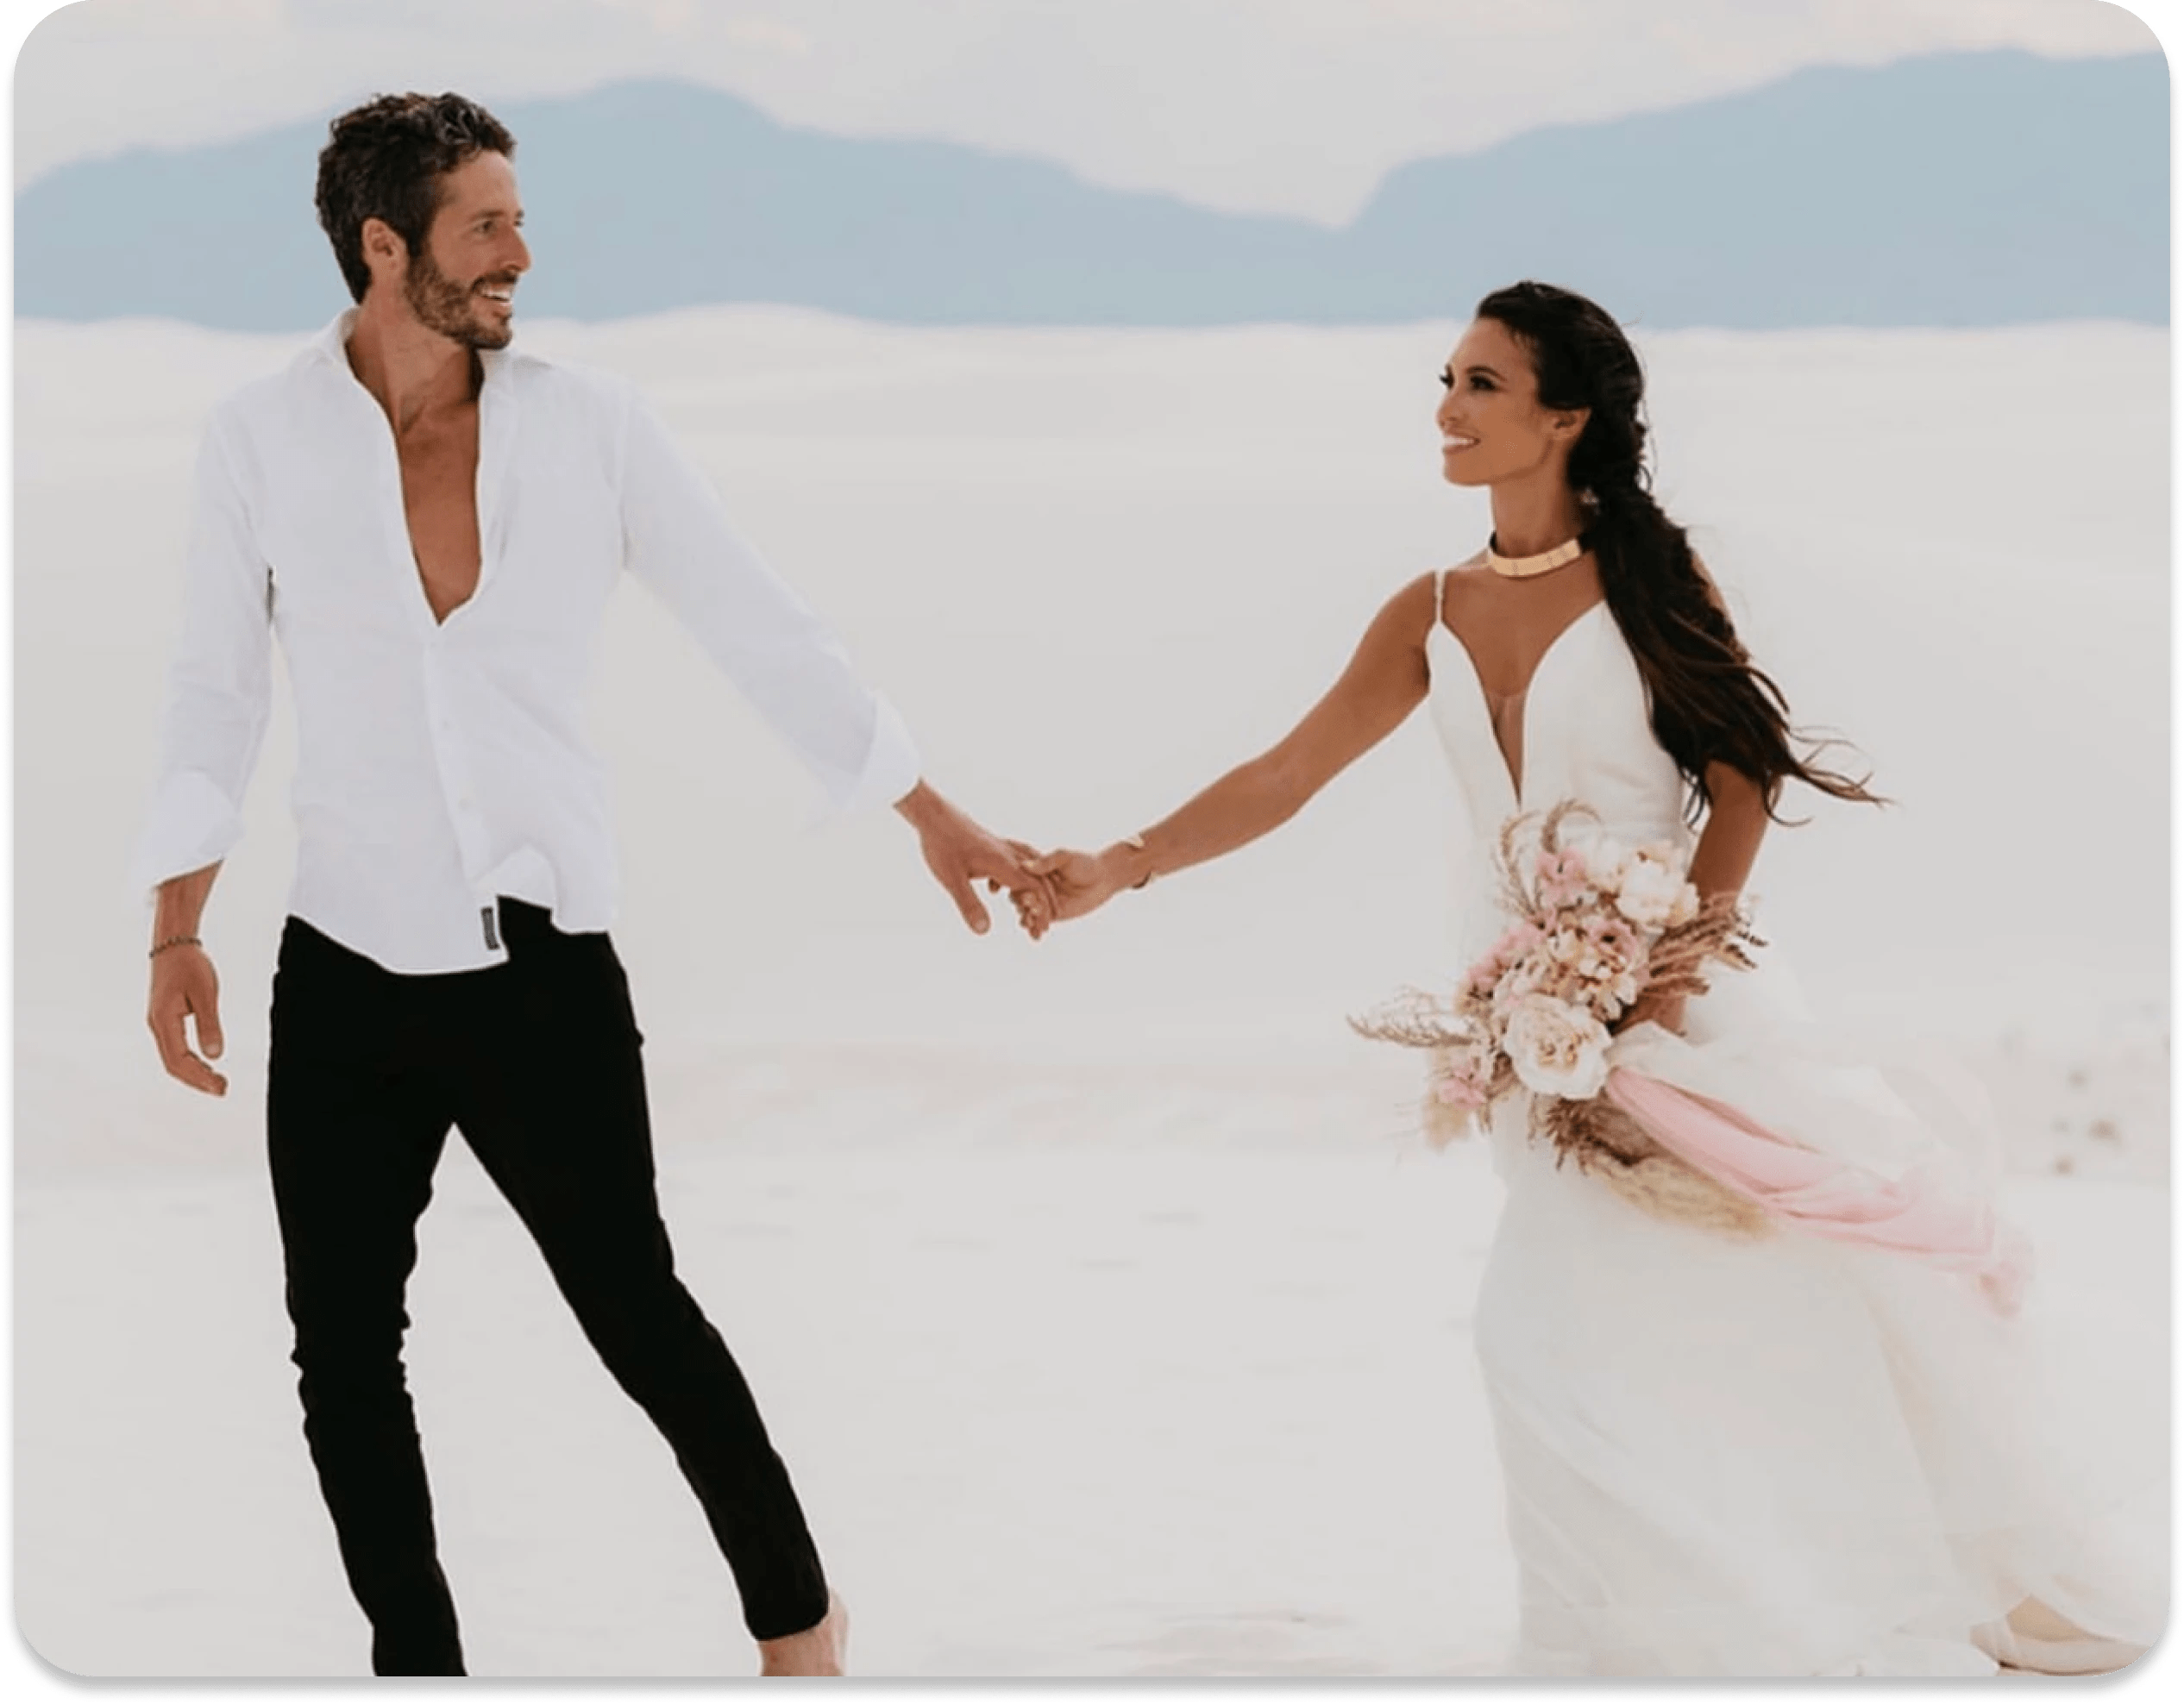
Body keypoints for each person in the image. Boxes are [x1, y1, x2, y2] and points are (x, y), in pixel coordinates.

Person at [1015, 282, 2161, 1676]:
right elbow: (1287, 774)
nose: (1447, 406)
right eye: (1446, 377)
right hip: (1528, 1030)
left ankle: (1940, 1602)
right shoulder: (1424, 612)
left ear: (1567, 417)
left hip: (1687, 1010)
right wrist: (1118, 863)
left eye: (1483, 384)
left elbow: (1739, 778)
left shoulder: (1648, 585)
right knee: (1584, 1337)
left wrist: (1667, 976)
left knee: (1735, 1304)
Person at [134, 91, 1051, 1679]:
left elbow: (760, 627)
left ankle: (800, 1634)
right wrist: (174, 923)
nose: (520, 251)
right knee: (343, 1359)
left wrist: (930, 813)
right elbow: (215, 693)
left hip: (541, 963)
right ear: (382, 244)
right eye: (484, 223)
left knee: (639, 1316)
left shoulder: (592, 424)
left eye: (515, 217)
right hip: (344, 963)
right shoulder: (260, 436)